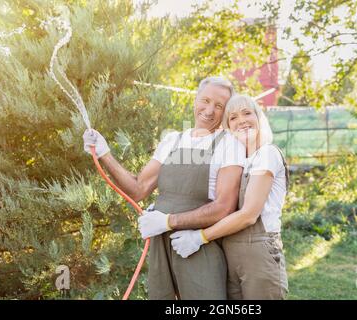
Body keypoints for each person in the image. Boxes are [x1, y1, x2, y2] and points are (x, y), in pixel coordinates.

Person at [83, 77, 246, 300]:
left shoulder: (229, 145)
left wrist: (168, 221)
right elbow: (139, 189)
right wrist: (104, 153)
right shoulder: (173, 141)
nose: (209, 110)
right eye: (205, 101)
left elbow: (224, 208)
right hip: (162, 245)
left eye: (219, 106)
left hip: (197, 245)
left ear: (227, 111)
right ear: (195, 100)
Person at [170, 94, 289, 299]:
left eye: (247, 113)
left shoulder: (267, 154)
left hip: (259, 252)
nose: (241, 120)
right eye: (233, 117)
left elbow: (249, 215)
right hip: (229, 251)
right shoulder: (239, 162)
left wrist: (200, 237)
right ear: (227, 127)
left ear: (259, 117)